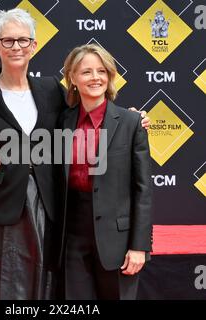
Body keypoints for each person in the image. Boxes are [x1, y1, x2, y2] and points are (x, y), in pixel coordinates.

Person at [0, 9, 150, 300]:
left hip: (48, 204)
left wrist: (130, 117)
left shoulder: (50, 89)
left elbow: (85, 114)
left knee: (46, 287)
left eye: (22, 40)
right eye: (7, 41)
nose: (15, 47)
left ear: (34, 46)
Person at [57, 44, 153, 300]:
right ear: (73, 78)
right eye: (86, 71)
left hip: (119, 242)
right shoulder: (60, 122)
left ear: (110, 76)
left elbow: (143, 190)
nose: (95, 77)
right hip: (71, 238)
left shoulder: (132, 123)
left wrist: (139, 246)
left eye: (102, 71)